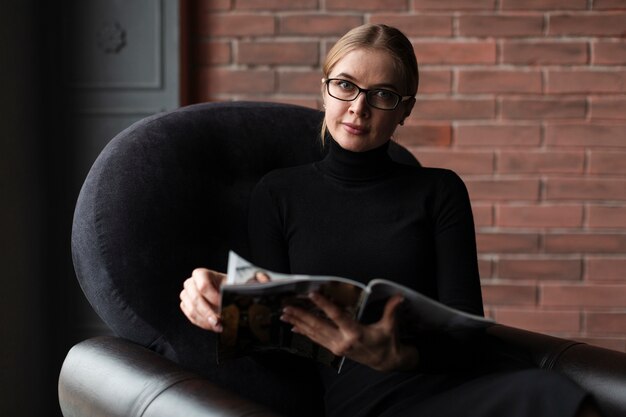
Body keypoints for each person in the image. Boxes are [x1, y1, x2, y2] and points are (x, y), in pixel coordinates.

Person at [180, 23, 601, 417]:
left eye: (382, 94)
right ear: (324, 92)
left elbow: (466, 327)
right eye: (345, 86)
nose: (358, 107)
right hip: (368, 396)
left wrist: (400, 353)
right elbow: (272, 330)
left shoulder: (440, 190)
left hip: (456, 373)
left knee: (561, 397)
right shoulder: (278, 192)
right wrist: (222, 298)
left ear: (405, 110)